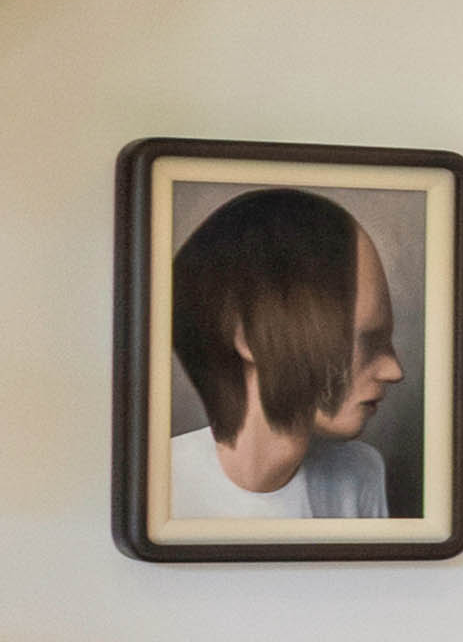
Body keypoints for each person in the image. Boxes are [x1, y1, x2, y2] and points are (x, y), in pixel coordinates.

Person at [160, 185, 405, 525]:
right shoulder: (161, 484)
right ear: (252, 340)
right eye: (368, 341)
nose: (394, 371)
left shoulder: (361, 474)